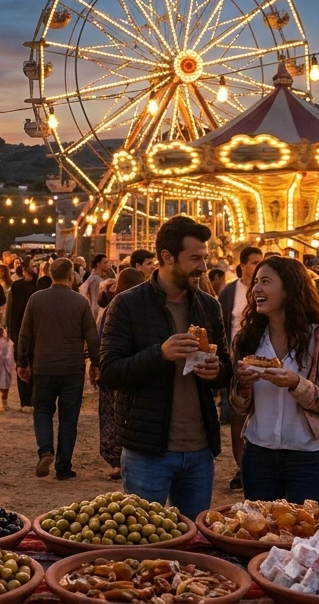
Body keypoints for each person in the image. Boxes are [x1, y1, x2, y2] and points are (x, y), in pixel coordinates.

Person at [100, 217, 231, 517]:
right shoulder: (128, 305)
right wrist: (160, 354)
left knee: (196, 537)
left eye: (204, 258)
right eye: (194, 259)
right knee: (146, 536)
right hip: (147, 452)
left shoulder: (209, 306)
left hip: (199, 451)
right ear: (167, 257)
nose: (203, 267)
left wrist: (217, 371)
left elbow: (226, 367)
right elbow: (109, 372)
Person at [230, 256, 319, 505]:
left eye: (265, 281)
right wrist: (243, 386)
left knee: (306, 527)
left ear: (289, 288)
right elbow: (238, 406)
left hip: (307, 458)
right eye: (256, 282)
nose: (256, 288)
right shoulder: (249, 339)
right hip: (258, 456)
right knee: (260, 526)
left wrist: (296, 384)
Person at [16, 257, 99, 480]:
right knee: (68, 417)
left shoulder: (36, 299)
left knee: (42, 411)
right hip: (72, 367)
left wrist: (22, 361)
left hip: (43, 365)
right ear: (71, 276)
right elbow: (92, 337)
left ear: (50, 274)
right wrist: (96, 363)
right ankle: (63, 467)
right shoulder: (80, 302)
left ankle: (45, 451)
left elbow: (25, 333)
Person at [216, 245, 262, 491]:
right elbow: (222, 324)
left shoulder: (263, 291)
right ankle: (242, 466)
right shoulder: (230, 292)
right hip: (237, 359)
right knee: (238, 415)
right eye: (254, 262)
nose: (257, 266)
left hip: (261, 360)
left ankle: (253, 467)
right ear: (242, 265)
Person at [96, 267, 148, 480]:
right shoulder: (146, 308)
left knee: (110, 415)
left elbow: (102, 338)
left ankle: (116, 460)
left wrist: (97, 365)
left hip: (114, 370)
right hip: (136, 371)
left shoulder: (113, 307)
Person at [6, 260, 41, 412]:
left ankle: (30, 400)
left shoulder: (39, 286)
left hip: (28, 331)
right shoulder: (18, 286)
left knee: (29, 364)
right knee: (25, 363)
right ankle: (27, 400)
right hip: (23, 330)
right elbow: (11, 309)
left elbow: (11, 310)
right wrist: (11, 330)